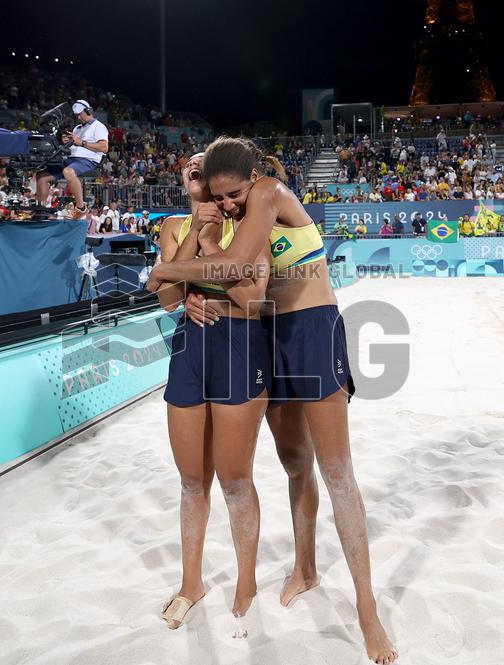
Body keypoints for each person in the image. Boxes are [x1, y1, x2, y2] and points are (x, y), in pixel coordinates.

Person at [147, 137, 397, 664]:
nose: (232, 203)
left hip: (310, 327)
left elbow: (234, 265)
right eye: (224, 196)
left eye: (232, 193)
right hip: (268, 335)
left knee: (337, 471)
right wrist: (189, 289)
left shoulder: (267, 191)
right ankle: (305, 566)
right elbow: (222, 270)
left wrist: (168, 273)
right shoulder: (227, 212)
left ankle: (368, 609)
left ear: (252, 176)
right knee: (294, 463)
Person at [151, 152, 272, 629]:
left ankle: (247, 576)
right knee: (190, 480)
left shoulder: (247, 221)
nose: (198, 176)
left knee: (235, 478)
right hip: (190, 348)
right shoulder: (173, 226)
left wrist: (197, 269)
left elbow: (251, 298)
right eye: (191, 171)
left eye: (206, 169)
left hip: (240, 345)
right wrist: (195, 247)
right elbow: (164, 298)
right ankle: (191, 582)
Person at [35, 101, 109, 217]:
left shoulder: (98, 126)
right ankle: (41, 210)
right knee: (41, 176)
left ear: (88, 111)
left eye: (80, 114)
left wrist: (82, 143)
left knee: (68, 172)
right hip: (71, 160)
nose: (78, 117)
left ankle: (81, 207)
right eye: (77, 115)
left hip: (88, 161)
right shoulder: (77, 128)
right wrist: (67, 142)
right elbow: (74, 144)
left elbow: (104, 148)